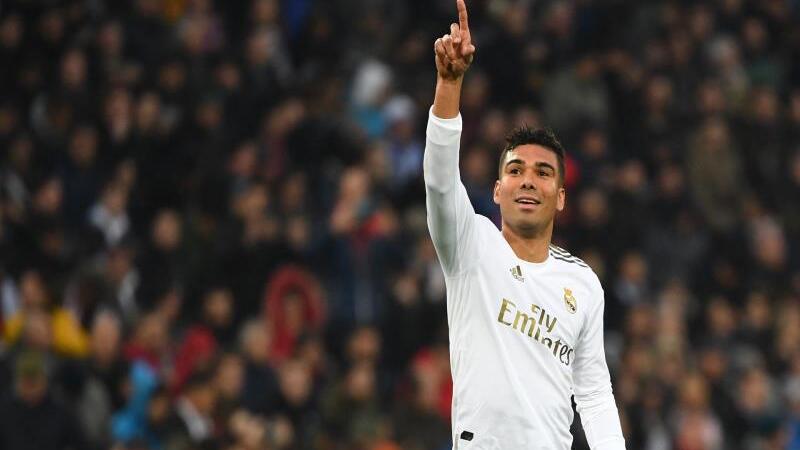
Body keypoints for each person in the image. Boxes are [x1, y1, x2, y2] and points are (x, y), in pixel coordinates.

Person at [423, 1, 626, 449]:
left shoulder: (582, 284)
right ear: (497, 190)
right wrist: (449, 85)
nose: (528, 180)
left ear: (561, 197)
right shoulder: (470, 245)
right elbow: (439, 183)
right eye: (515, 170)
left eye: (543, 172)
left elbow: (594, 394)